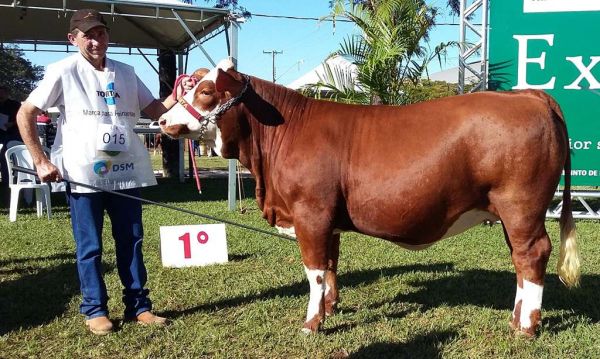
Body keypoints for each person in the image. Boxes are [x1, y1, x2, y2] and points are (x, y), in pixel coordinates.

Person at [16, 9, 192, 335]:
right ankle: (95, 309)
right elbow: (25, 112)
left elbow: (155, 109)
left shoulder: (126, 71)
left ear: (108, 36)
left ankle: (139, 306)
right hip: (83, 174)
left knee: (132, 240)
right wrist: (40, 160)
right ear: (73, 39)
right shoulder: (63, 71)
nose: (96, 41)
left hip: (124, 170)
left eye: (101, 33)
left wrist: (180, 96)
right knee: (90, 246)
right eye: (88, 35)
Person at [0, 85, 23, 187]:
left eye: (2, 93)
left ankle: (8, 182)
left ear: (7, 93)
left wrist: (12, 123)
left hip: (12, 135)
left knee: (7, 157)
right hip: (1, 134)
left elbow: (22, 119)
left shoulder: (15, 105)